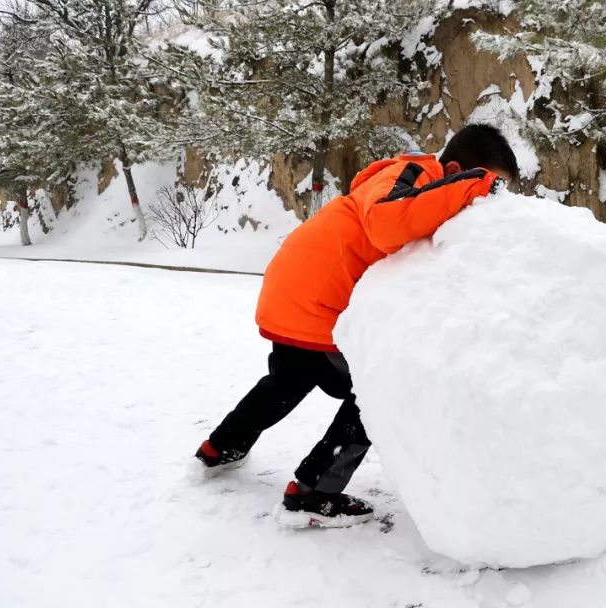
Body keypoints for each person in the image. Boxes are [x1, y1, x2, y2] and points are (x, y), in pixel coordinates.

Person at [194, 124, 519, 528]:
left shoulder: (416, 184)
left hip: (295, 293)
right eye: (491, 183)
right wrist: (473, 187)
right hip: (317, 303)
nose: (488, 195)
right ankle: (315, 492)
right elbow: (386, 222)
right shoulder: (417, 173)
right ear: (456, 169)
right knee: (377, 391)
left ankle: (220, 447)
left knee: (290, 378)